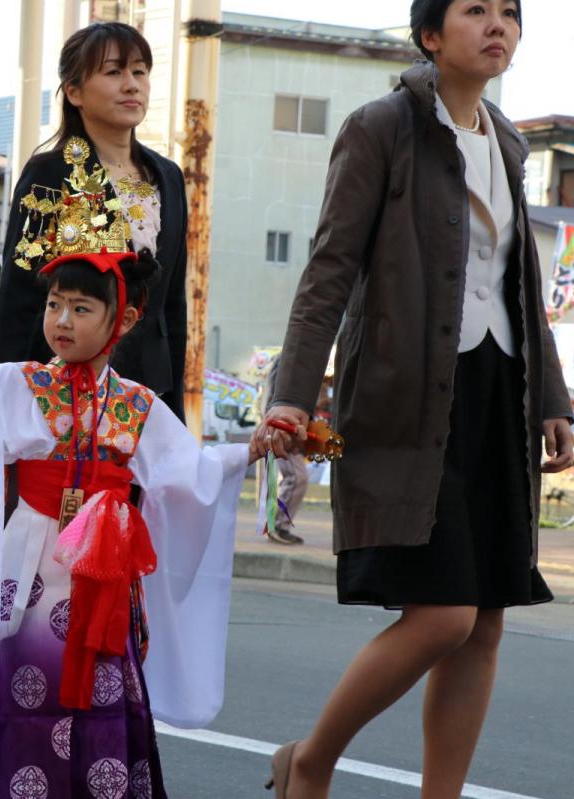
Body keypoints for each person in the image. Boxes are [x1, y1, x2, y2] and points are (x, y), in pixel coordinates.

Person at [0, 142, 266, 797]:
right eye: (56, 303)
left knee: (98, 694)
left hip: (104, 570)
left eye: (82, 308)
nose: (62, 320)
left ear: (126, 317)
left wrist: (248, 452)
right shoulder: (21, 384)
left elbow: (189, 476)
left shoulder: (137, 405)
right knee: (9, 685)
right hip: (27, 559)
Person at [259, 3, 574, 797]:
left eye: (509, 12)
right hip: (410, 399)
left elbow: (523, 289)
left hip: (497, 394)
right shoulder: (382, 127)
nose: (497, 25)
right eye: (475, 10)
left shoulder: (504, 139)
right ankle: (311, 756)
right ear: (430, 35)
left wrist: (553, 398)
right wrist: (291, 396)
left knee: (486, 621)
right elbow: (329, 269)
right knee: (443, 614)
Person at [0, 21, 190, 416]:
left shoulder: (168, 176)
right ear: (74, 91)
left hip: (147, 394)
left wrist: (175, 412)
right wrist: (3, 407)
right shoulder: (48, 172)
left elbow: (173, 306)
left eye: (139, 71)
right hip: (60, 394)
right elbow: (17, 297)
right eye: (114, 72)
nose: (132, 85)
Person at [257, 355, 306, 545]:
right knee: (296, 477)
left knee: (295, 477)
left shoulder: (291, 361)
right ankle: (277, 525)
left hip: (285, 425)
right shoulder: (288, 360)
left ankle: (278, 524)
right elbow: (275, 398)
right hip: (282, 426)